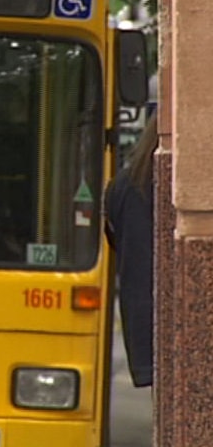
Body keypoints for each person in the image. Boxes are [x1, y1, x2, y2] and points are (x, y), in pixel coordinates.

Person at [104, 111, 157, 388]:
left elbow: (116, 241)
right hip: (177, 330)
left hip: (143, 329)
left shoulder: (124, 185)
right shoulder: (165, 183)